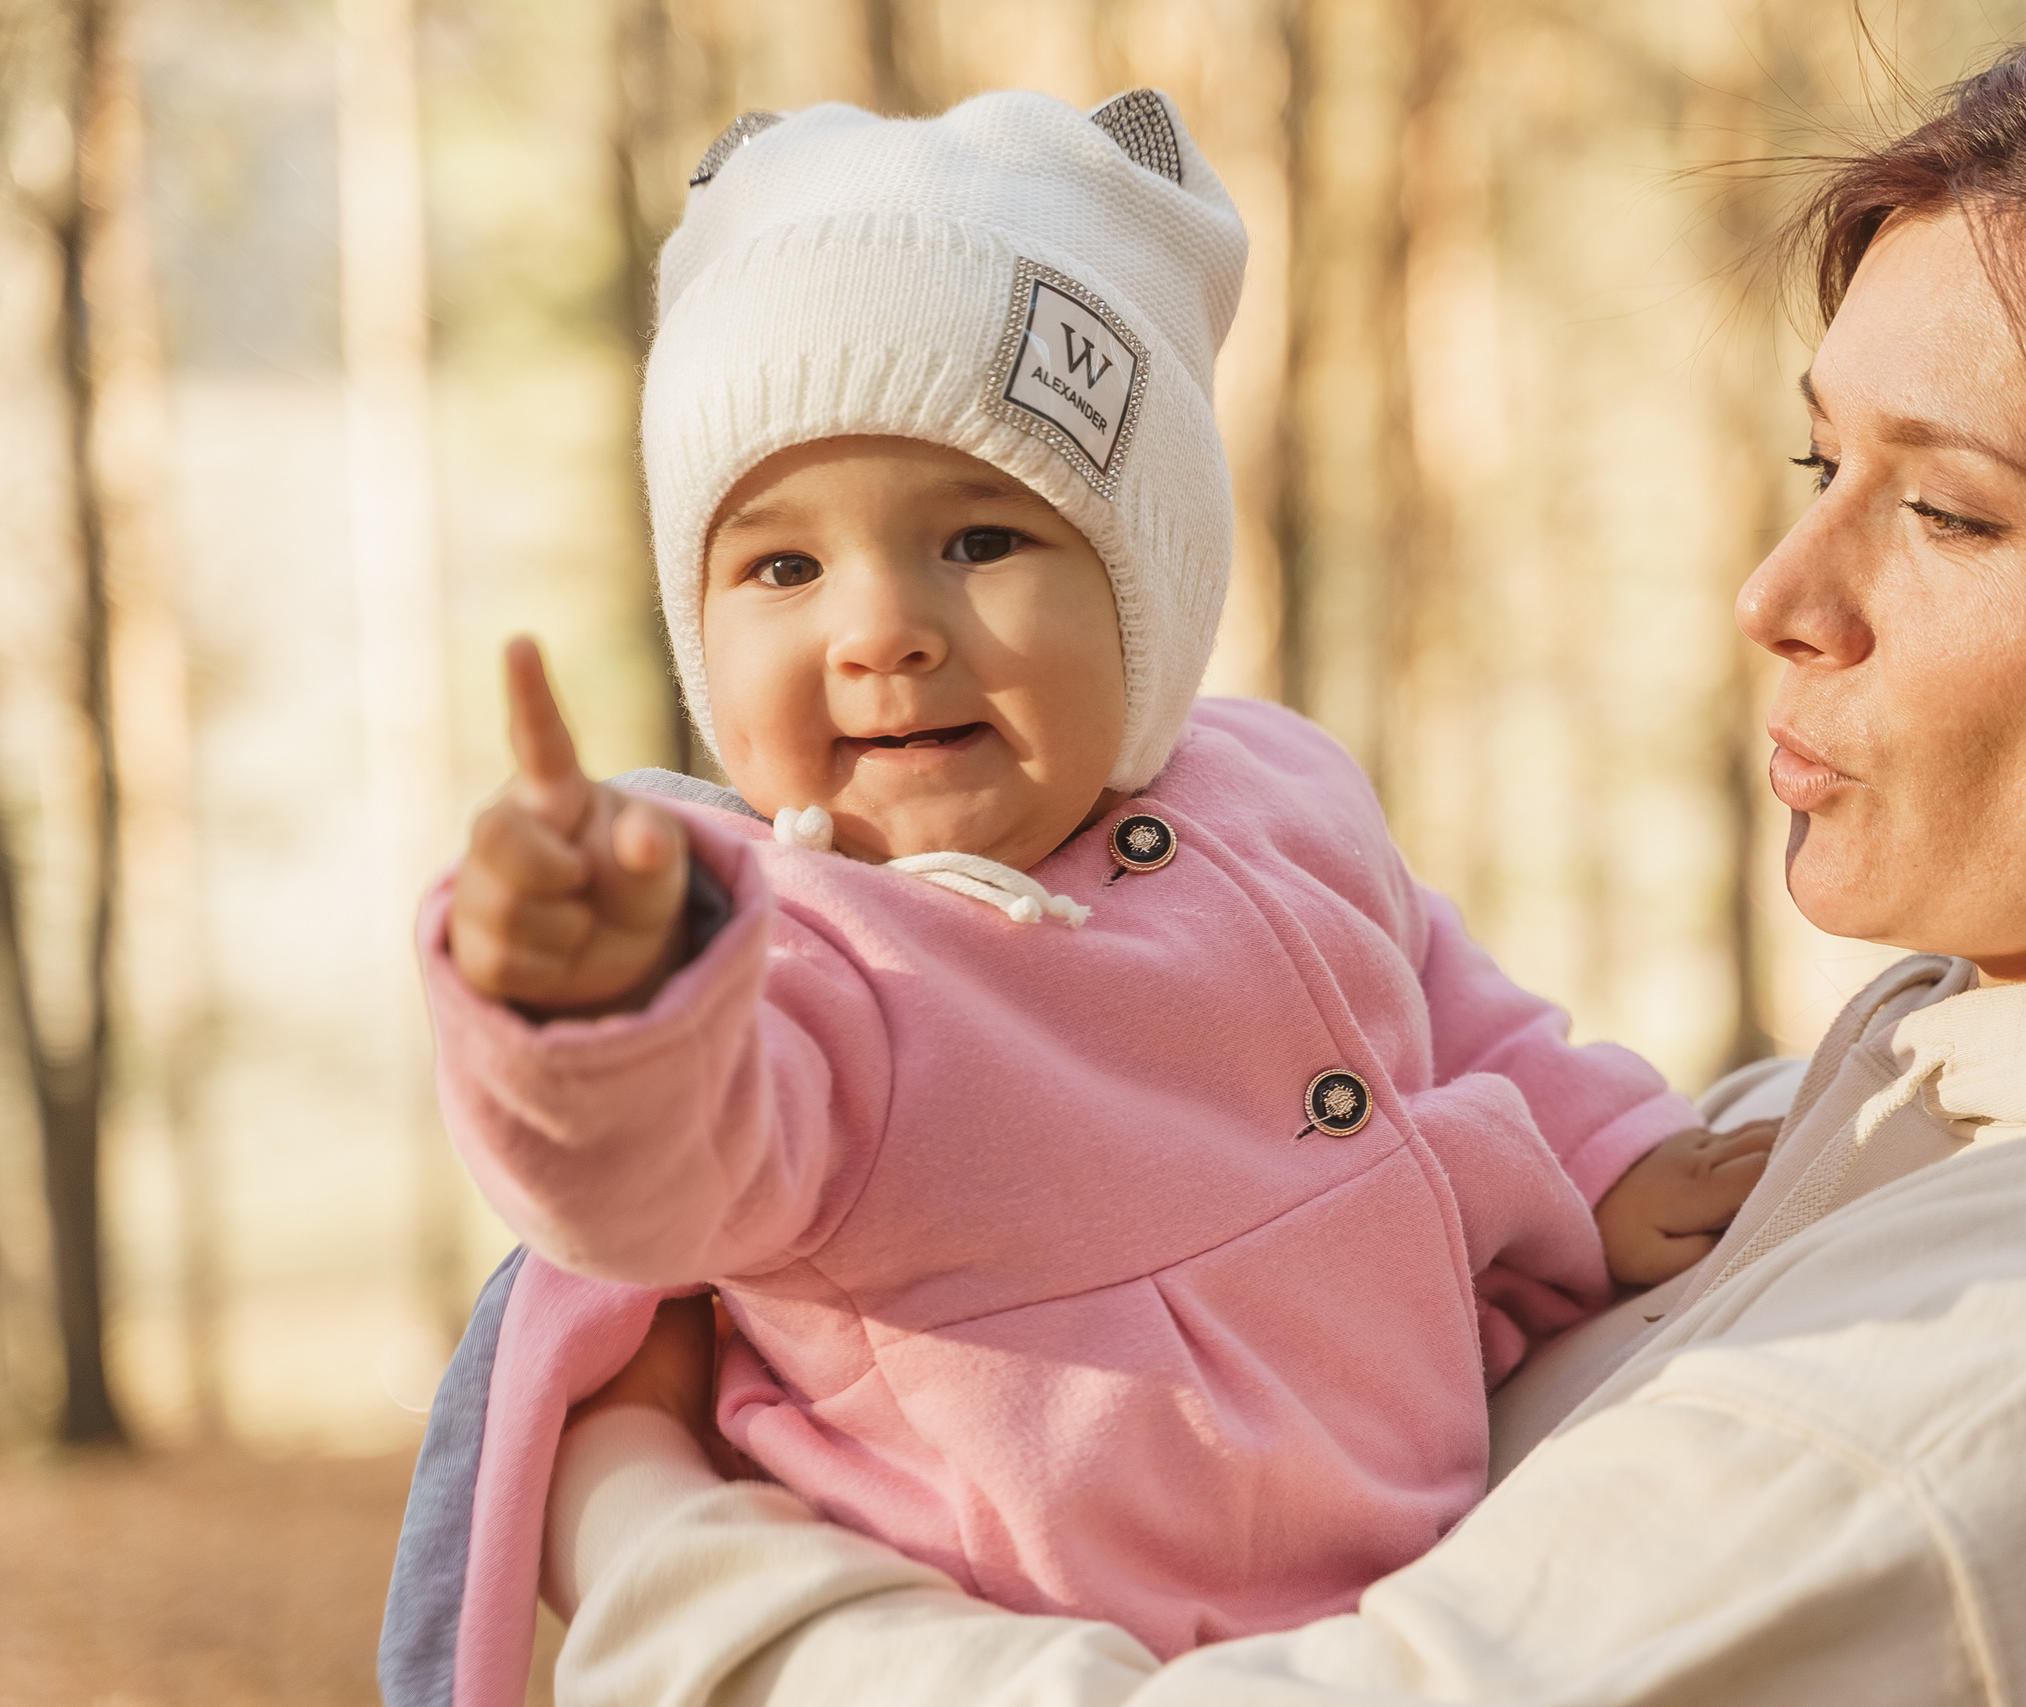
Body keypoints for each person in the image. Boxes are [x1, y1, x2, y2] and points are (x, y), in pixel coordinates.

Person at [526, 6, 2026, 1702]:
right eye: (1812, 468)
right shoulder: (1940, 1082)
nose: (1778, 598)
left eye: (1949, 513)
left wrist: (639, 1528)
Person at [376, 89, 1780, 1707]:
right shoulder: (816, 961)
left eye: (980, 538)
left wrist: (1603, 1155)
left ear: (1150, 583)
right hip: (1036, 1649)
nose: (881, 629)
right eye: (783, 568)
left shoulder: (1275, 786)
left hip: (1439, 1582)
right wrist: (600, 1003)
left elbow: (1453, 1002)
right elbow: (657, 1174)